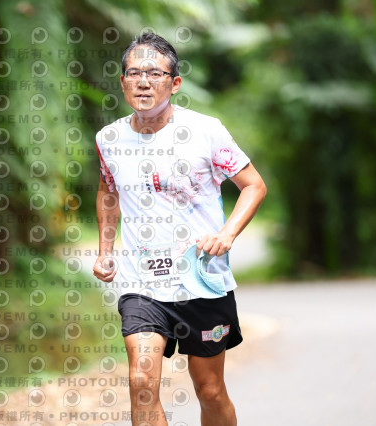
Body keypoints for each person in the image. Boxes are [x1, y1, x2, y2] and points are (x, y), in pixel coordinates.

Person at [93, 32, 267, 426]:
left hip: (201, 279)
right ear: (122, 81)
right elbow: (107, 190)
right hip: (142, 283)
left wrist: (227, 234)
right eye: (134, 73)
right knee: (141, 381)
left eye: (154, 73)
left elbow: (254, 186)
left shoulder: (206, 131)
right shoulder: (109, 139)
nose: (143, 81)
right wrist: (105, 251)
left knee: (210, 389)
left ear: (174, 84)